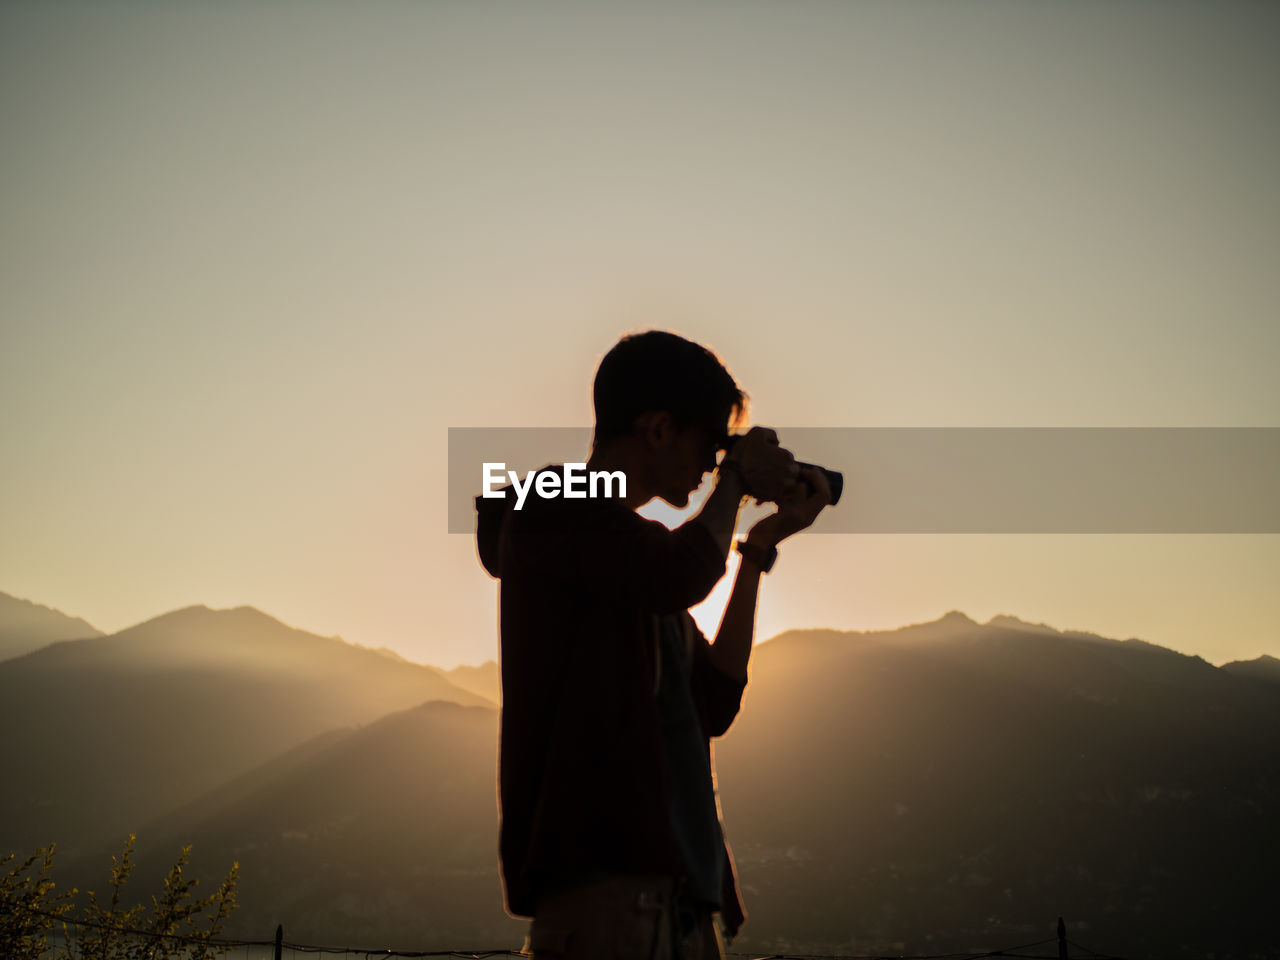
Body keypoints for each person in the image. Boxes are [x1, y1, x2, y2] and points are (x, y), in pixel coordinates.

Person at [474, 330, 831, 960]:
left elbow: (714, 700)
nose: (711, 467)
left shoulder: (627, 554)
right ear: (660, 429)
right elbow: (678, 574)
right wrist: (737, 486)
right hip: (608, 903)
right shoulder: (551, 506)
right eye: (710, 444)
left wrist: (759, 550)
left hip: (680, 905)